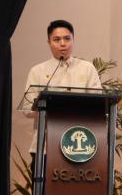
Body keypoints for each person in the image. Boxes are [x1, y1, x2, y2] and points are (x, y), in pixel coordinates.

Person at [22, 20, 102, 155]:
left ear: (73, 40)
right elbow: (27, 108)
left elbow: (99, 104)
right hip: (44, 146)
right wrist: (54, 109)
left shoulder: (87, 68)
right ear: (49, 43)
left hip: (80, 146)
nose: (63, 43)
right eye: (57, 39)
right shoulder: (37, 71)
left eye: (67, 38)